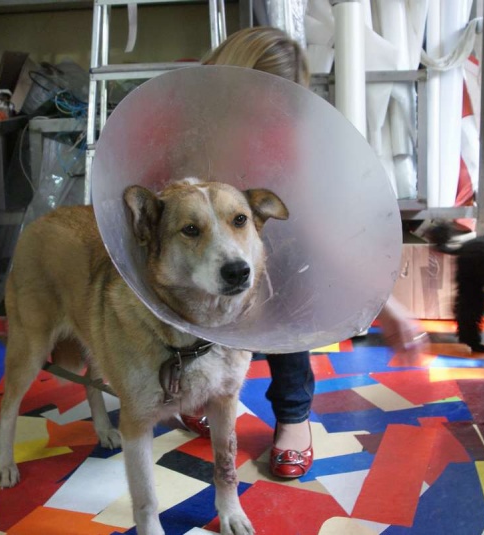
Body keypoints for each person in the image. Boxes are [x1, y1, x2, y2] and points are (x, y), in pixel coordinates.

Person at [181, 26, 426, 479]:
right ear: (233, 84)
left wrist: (384, 305)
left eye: (281, 105)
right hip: (197, 249)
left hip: (263, 253)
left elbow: (317, 228)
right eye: (259, 103)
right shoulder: (185, 113)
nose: (270, 116)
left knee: (290, 285)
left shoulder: (283, 137)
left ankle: (294, 414)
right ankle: (200, 394)